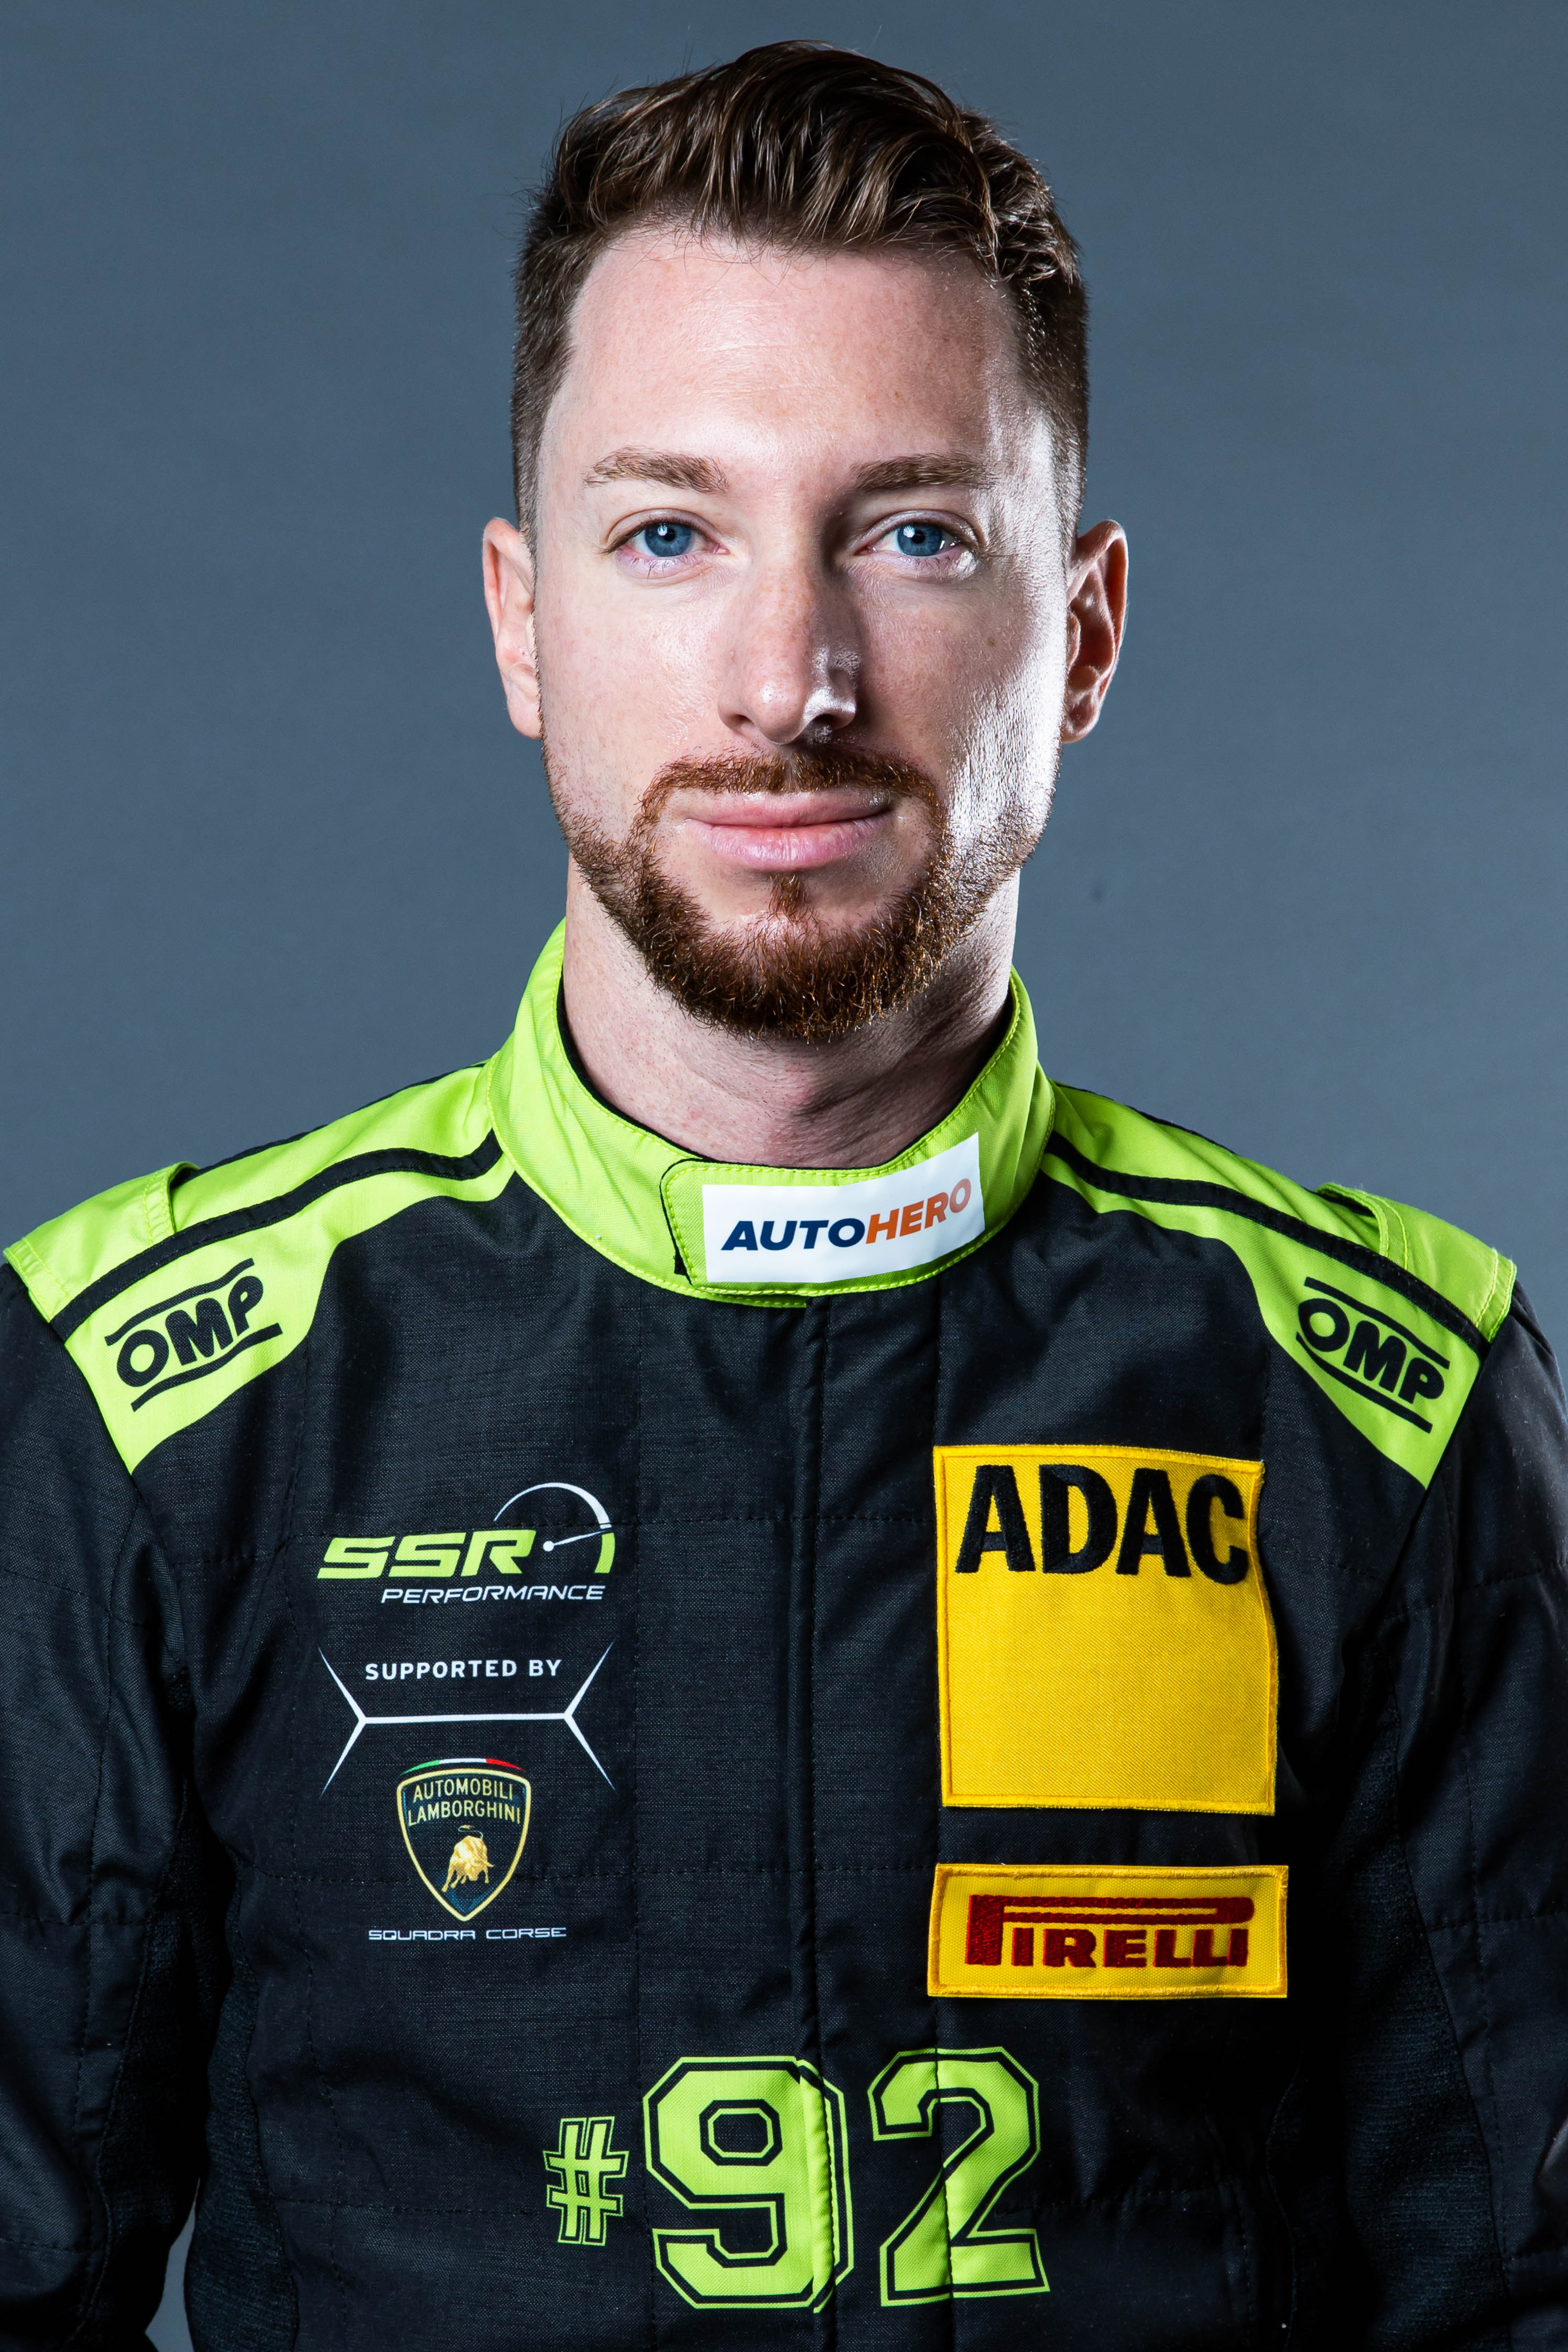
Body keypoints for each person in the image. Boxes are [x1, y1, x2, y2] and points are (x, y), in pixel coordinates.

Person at [1, 39, 1563, 2350]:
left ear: (1084, 633)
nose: (789, 678)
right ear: (522, 622)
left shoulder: (1383, 1411)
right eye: (671, 533)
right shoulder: (155, 1403)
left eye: (914, 535)